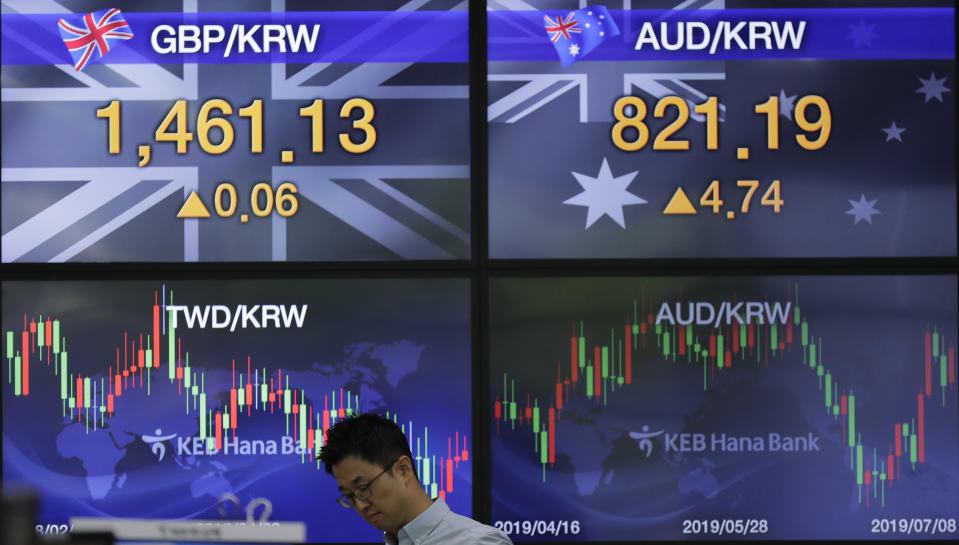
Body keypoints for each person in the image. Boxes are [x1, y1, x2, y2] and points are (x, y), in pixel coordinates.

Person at [319, 413, 513, 545]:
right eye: (350, 497)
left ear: (403, 469)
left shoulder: (478, 542)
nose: (361, 505)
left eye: (363, 488)